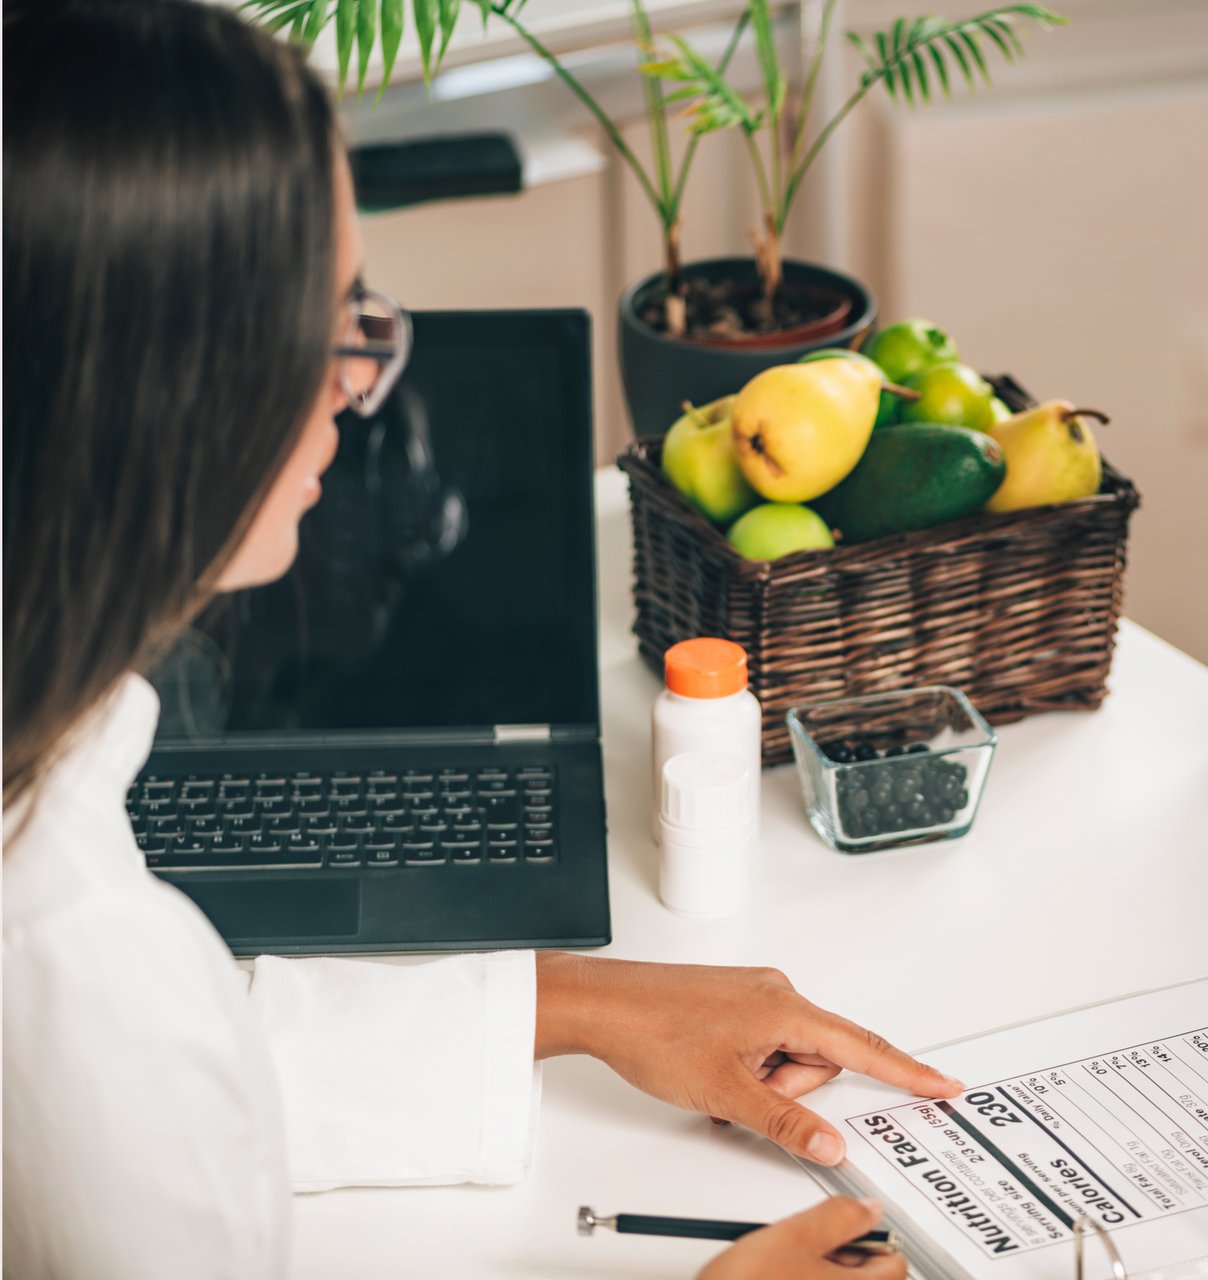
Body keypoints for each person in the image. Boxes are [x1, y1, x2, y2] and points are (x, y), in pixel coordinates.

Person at [1, 3, 951, 1276]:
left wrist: (591, 1000)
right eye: (333, 322)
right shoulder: (69, 958)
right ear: (167, 382)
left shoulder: (56, 842)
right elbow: (129, 1062)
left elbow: (193, 1065)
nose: (361, 379)